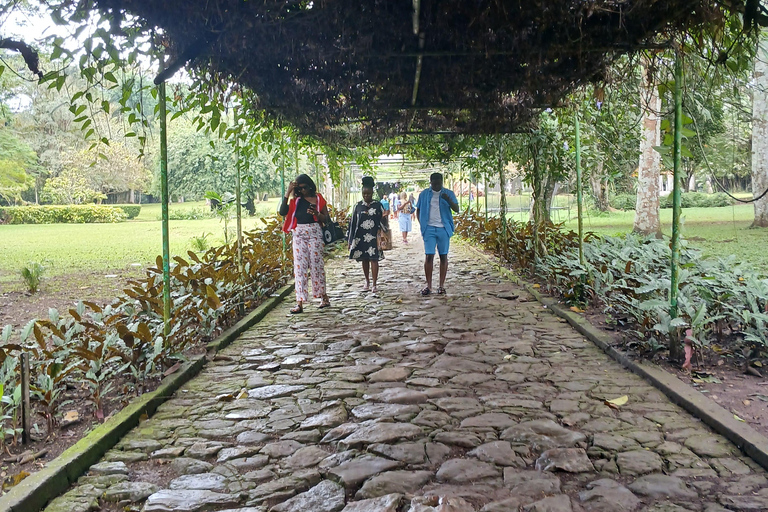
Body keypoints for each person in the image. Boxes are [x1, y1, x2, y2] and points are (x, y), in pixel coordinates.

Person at [279, 174, 331, 313]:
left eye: (305, 187)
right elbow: (282, 212)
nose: (303, 191)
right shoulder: (296, 201)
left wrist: (316, 213)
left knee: (316, 266)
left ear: (310, 185)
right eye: (299, 188)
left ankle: (323, 297)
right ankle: (299, 302)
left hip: (315, 234)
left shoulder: (318, 198)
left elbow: (327, 219)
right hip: (299, 235)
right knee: (299, 268)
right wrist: (288, 192)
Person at [415, 172, 459, 295]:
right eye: (434, 183)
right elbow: (418, 210)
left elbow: (457, 209)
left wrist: (448, 200)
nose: (437, 185)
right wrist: (422, 224)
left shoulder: (448, 193)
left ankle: (441, 285)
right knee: (429, 256)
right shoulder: (424, 194)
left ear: (442, 182)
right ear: (430, 182)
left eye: (439, 183)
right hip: (429, 229)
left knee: (443, 256)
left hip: (443, 229)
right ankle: (428, 286)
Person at [348, 177, 385, 292]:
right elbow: (353, 224)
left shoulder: (378, 205)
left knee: (374, 259)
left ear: (372, 193)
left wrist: (384, 235)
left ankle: (374, 283)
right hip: (361, 237)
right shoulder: (357, 206)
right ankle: (367, 281)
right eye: (364, 194)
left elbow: (384, 222)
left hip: (374, 237)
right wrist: (350, 240)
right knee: (364, 259)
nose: (366, 196)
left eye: (368, 194)